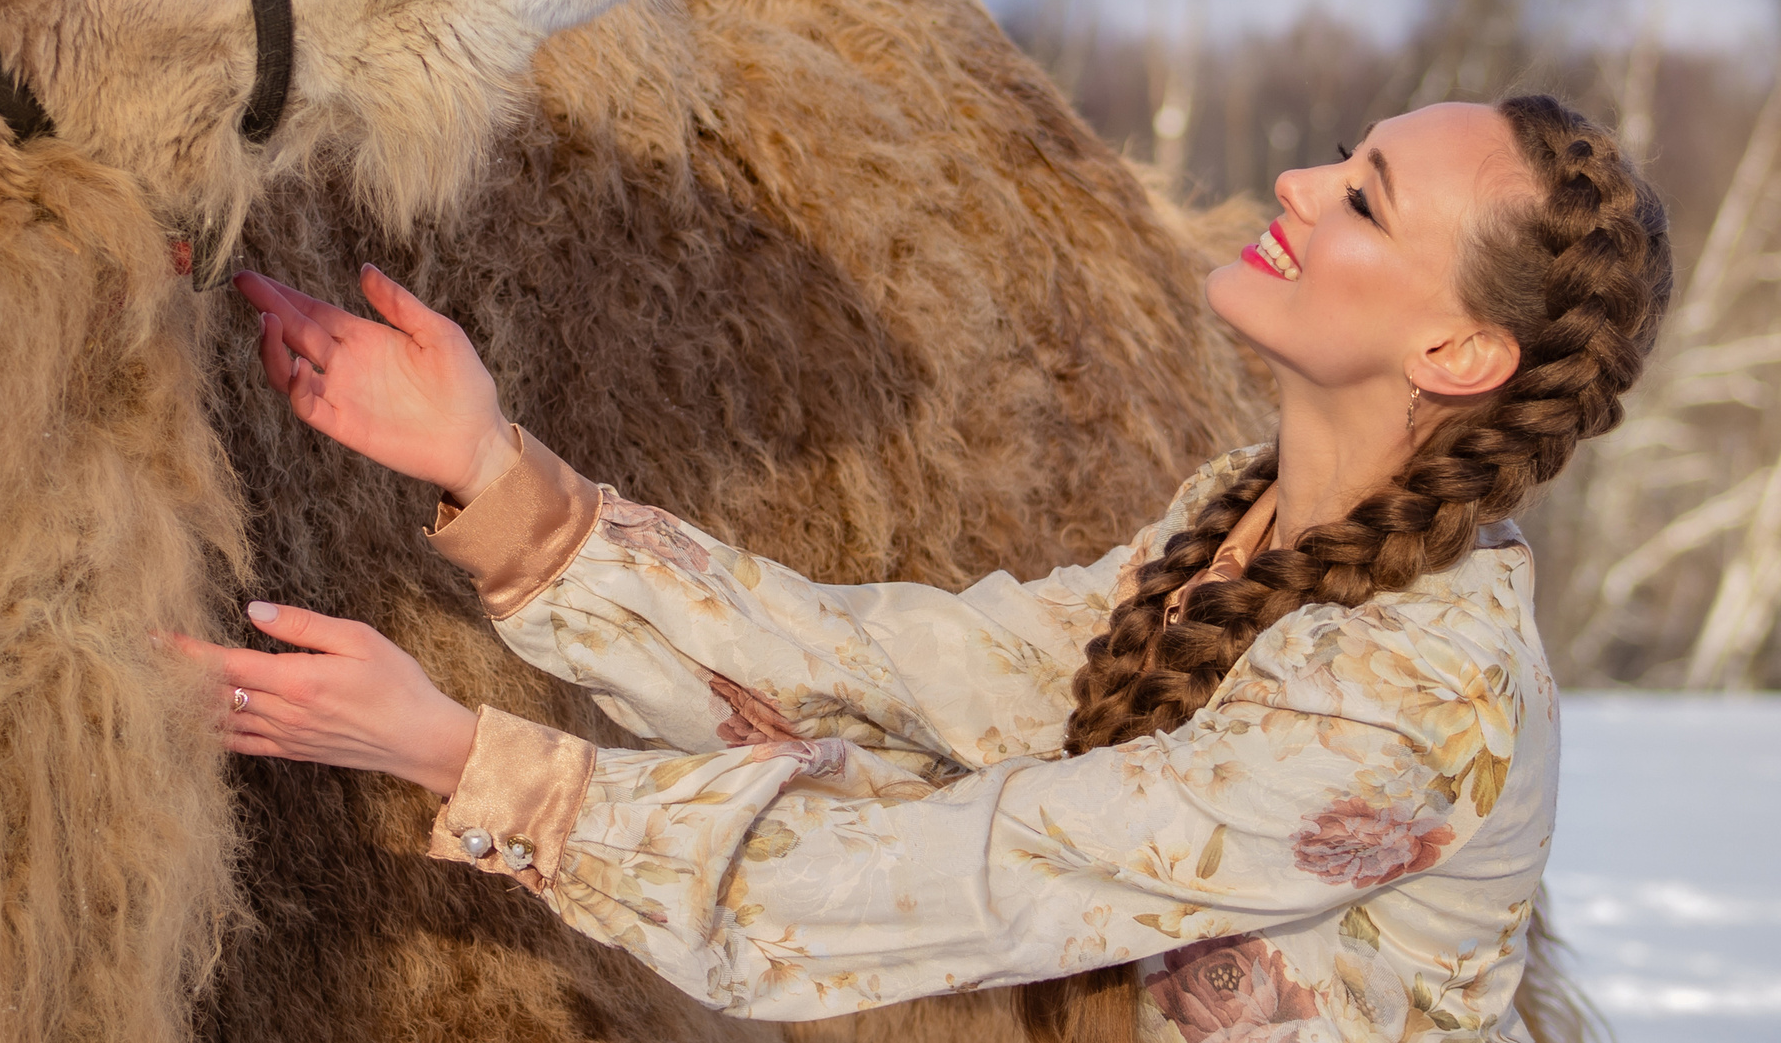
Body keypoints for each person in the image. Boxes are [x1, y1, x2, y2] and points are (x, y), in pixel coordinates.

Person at [175, 97, 1672, 1041]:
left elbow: (915, 877)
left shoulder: (1411, 706)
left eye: (1365, 199)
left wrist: (450, 752)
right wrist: (495, 474)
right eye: (1344, 156)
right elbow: (883, 674)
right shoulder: (1235, 525)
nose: (1293, 179)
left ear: (1459, 353)